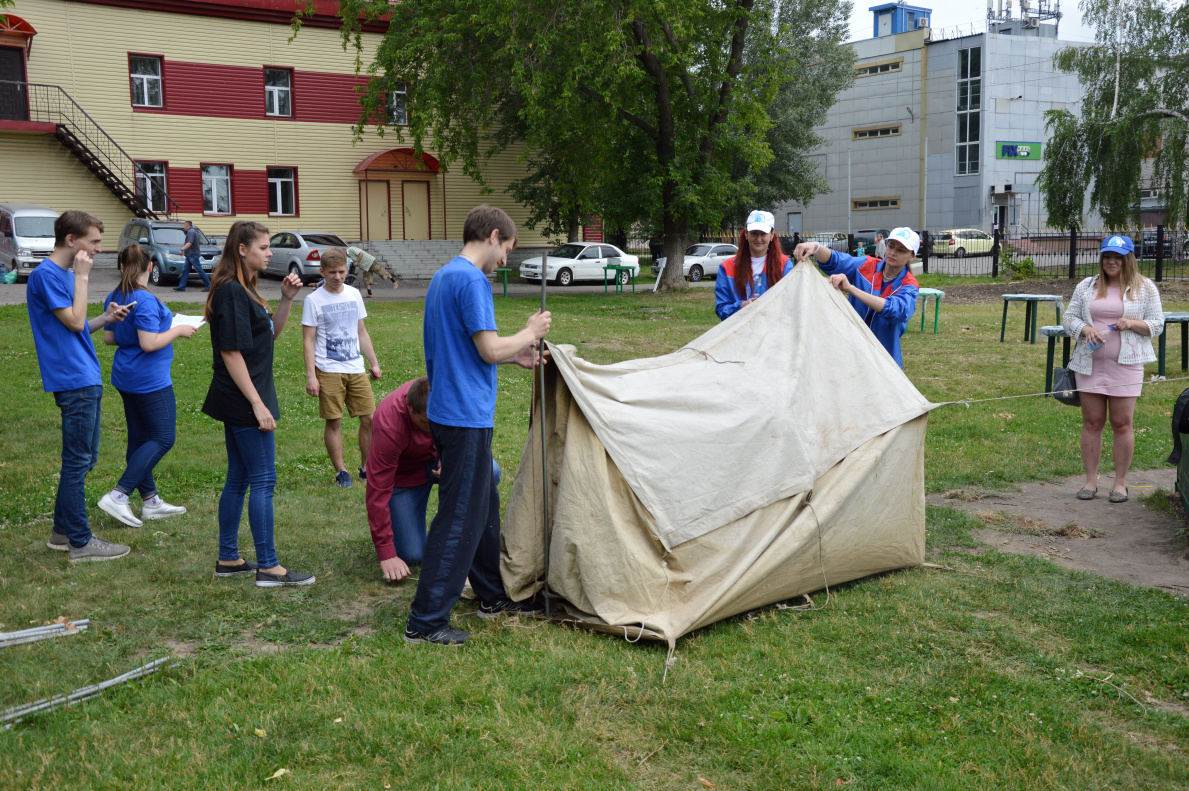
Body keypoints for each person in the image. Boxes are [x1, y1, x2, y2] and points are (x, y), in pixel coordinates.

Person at [405, 204, 551, 646]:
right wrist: (529, 332)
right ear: (492, 236)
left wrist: (517, 355)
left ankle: (492, 595)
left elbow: (470, 351)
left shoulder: (445, 276)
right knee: (459, 519)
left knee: (483, 507)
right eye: (507, 248)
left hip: (453, 410)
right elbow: (487, 349)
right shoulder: (471, 280)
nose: (506, 258)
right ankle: (425, 621)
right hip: (463, 415)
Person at [202, 221, 315, 587]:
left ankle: (229, 558)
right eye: (264, 247)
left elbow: (269, 335)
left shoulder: (247, 289)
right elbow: (231, 352)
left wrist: (285, 301)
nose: (270, 253)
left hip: (243, 396)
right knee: (263, 479)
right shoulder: (232, 292)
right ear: (242, 249)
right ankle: (268, 566)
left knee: (239, 477)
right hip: (243, 398)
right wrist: (257, 404)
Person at [27, 210, 134, 562]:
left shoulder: (56, 275)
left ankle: (62, 532)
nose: (100, 249)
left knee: (84, 460)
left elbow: (75, 325)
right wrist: (82, 277)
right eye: (95, 241)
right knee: (77, 461)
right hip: (74, 380)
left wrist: (105, 318)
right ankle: (81, 542)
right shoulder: (48, 275)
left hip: (83, 376)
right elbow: (73, 322)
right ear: (71, 241)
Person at [97, 244, 197, 527]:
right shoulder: (146, 300)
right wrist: (176, 329)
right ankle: (119, 494)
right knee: (163, 438)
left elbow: (109, 338)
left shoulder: (114, 296)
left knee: (140, 439)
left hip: (126, 377)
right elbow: (149, 343)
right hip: (150, 381)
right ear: (150, 267)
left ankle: (150, 501)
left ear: (120, 266)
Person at [365, 376, 503, 582]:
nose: (434, 430)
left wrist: (448, 456)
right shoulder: (388, 425)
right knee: (412, 554)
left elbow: (469, 439)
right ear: (410, 407)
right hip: (405, 478)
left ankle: (468, 535)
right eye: (425, 423)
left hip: (441, 463)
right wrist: (387, 554)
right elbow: (377, 490)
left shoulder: (448, 398)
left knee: (490, 470)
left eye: (437, 422)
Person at [1063, 234, 1163, 503]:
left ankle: (1120, 483)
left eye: (1117, 257)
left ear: (1128, 259)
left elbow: (1156, 325)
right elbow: (1069, 317)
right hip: (1089, 364)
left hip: (1127, 366)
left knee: (1122, 423)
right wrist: (1084, 328)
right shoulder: (1087, 286)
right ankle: (1090, 482)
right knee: (1092, 422)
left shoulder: (1144, 288)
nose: (1110, 262)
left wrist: (1130, 323)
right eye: (1107, 256)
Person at [302, 247, 381, 488]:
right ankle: (341, 471)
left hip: (355, 367)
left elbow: (361, 331)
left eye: (341, 272)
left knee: (370, 418)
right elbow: (308, 340)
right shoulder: (313, 300)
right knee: (334, 421)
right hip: (328, 369)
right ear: (322, 272)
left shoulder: (354, 294)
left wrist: (374, 362)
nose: (337, 277)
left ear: (348, 270)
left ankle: (366, 468)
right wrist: (311, 376)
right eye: (332, 272)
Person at [794, 226, 921, 368]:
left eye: (901, 250)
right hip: (850, 351)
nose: (892, 252)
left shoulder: (910, 285)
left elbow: (896, 311)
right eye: (891, 246)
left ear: (912, 256)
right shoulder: (867, 264)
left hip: (884, 359)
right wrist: (816, 248)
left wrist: (851, 289)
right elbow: (837, 261)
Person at [714, 210, 794, 321]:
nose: (758, 239)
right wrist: (742, 306)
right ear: (746, 234)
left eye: (763, 234)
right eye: (754, 233)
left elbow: (792, 302)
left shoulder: (784, 265)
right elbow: (721, 308)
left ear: (772, 235)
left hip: (773, 333)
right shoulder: (727, 268)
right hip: (739, 333)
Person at [173, 220, 210, 293]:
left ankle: (209, 285)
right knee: (185, 270)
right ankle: (181, 286)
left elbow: (189, 243)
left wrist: (182, 249)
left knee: (199, 270)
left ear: (186, 225)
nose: (184, 227)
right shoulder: (192, 231)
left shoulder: (191, 232)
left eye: (184, 226)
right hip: (189, 255)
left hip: (193, 255)